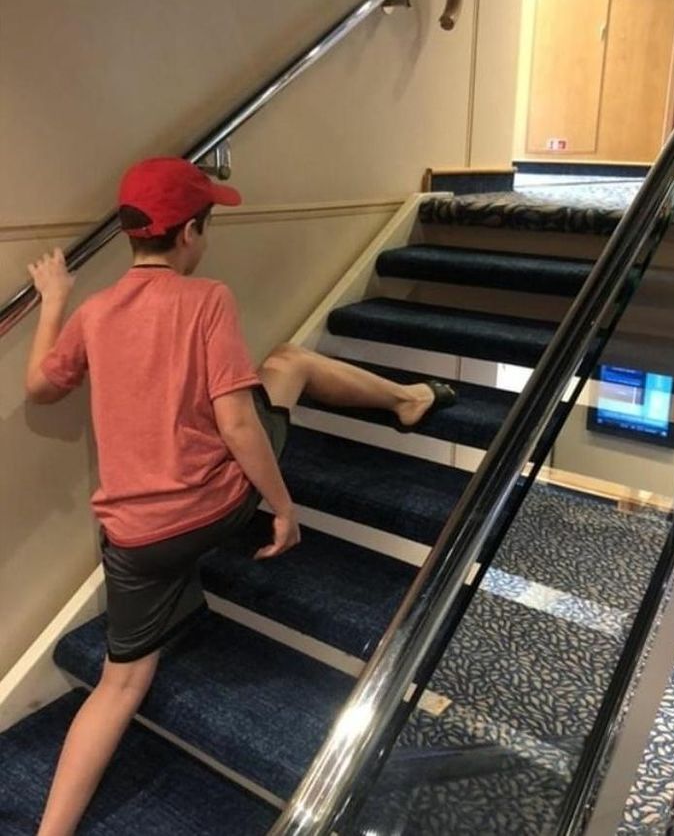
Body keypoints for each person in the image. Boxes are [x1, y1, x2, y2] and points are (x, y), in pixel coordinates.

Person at [24, 156, 456, 835]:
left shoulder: (97, 313)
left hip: (133, 537)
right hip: (213, 507)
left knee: (119, 685)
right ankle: (409, 398)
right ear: (191, 231)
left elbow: (40, 386)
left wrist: (54, 300)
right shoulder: (207, 299)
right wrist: (282, 505)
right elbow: (236, 421)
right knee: (288, 362)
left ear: (133, 231)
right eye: (207, 223)